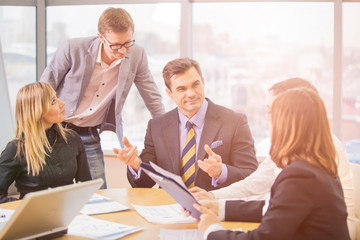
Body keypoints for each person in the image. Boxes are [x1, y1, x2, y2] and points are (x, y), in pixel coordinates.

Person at [189, 78, 356, 239]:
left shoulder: (300, 174)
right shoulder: (314, 161)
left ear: (286, 123)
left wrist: (211, 229)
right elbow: (276, 206)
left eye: (272, 112)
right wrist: (219, 207)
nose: (268, 119)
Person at [40, 7, 164, 189]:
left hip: (89, 132)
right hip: (56, 129)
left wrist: (167, 130)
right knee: (51, 190)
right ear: (100, 37)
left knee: (99, 193)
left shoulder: (136, 54)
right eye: (115, 45)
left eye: (127, 43)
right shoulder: (73, 48)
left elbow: (151, 95)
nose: (122, 51)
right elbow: (43, 89)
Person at [113, 57, 258, 191]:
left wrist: (221, 171)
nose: (191, 93)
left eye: (195, 85)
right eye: (181, 89)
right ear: (169, 93)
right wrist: (136, 166)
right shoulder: (156, 127)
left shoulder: (235, 122)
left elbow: (251, 174)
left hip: (213, 207)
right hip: (169, 208)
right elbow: (144, 184)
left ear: (203, 81)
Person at [0, 82, 91, 203]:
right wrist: (24, 207)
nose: (62, 103)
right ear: (37, 110)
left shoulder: (73, 139)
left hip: (68, 214)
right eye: (53, 101)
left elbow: (86, 187)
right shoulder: (16, 149)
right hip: (34, 218)